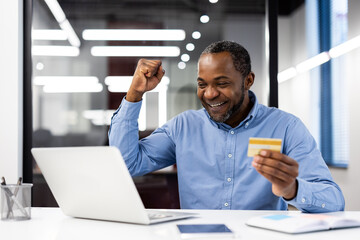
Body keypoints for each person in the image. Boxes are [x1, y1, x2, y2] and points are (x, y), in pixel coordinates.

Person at [108, 40, 345, 212]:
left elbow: (334, 200)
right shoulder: (183, 127)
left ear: (248, 81)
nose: (210, 94)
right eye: (202, 84)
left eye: (221, 83)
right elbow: (126, 165)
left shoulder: (285, 127)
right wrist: (134, 94)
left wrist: (291, 189)